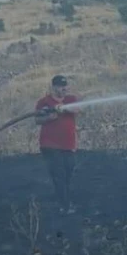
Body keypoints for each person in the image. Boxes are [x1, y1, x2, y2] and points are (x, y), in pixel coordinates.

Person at [35, 75, 81, 214]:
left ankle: (63, 200)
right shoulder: (44, 102)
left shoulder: (70, 100)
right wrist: (50, 117)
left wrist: (63, 108)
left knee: (68, 172)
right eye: (61, 87)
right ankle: (65, 206)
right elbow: (37, 119)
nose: (64, 89)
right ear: (54, 87)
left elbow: (78, 110)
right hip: (50, 145)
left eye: (66, 86)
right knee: (59, 175)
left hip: (68, 144)